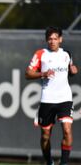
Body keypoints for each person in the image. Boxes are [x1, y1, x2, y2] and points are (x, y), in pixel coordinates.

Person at [25, 27, 78, 165]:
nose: (52, 41)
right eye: (50, 39)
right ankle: (49, 162)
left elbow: (70, 70)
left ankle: (64, 163)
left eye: (55, 39)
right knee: (45, 136)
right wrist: (42, 73)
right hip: (47, 99)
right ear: (46, 40)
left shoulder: (66, 54)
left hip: (64, 98)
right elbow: (28, 73)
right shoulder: (41, 54)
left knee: (67, 130)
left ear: (60, 39)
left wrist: (73, 71)